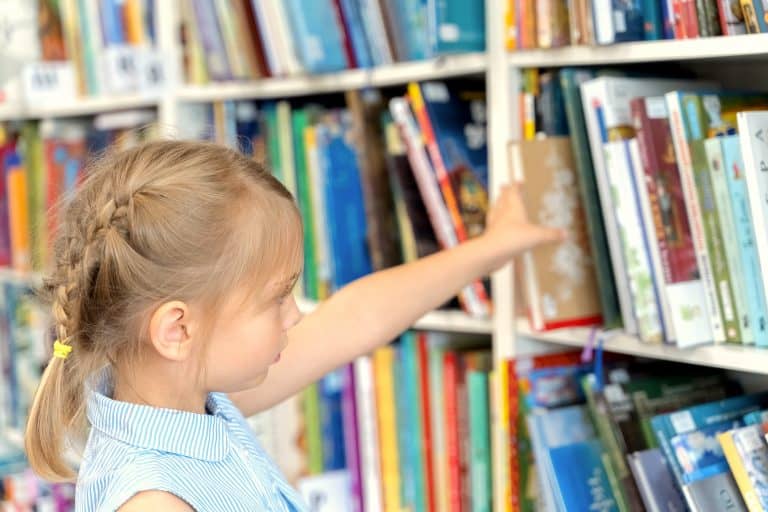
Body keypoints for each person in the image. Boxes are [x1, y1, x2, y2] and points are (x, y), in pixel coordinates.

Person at [24, 140, 563, 511]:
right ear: (177, 331)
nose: (296, 314)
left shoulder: (189, 401)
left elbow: (356, 318)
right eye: (277, 297)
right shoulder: (154, 498)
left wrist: (493, 248)